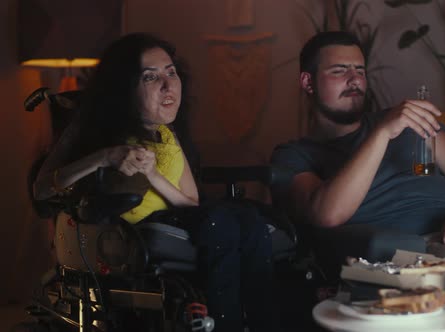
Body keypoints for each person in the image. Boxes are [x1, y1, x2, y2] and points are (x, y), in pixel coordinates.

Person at [33, 32, 276, 332]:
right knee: (223, 222)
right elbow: (41, 188)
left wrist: (152, 175)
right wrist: (104, 157)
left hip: (175, 217)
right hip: (124, 232)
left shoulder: (167, 133)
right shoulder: (89, 126)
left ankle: (261, 320)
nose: (167, 84)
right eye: (150, 77)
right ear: (125, 89)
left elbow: (190, 203)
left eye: (171, 72)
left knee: (250, 217)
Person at [270, 31, 445, 278]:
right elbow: (328, 214)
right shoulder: (294, 155)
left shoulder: (409, 122)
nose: (354, 80)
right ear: (308, 82)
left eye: (360, 70)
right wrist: (381, 134)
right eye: (339, 71)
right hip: (403, 254)